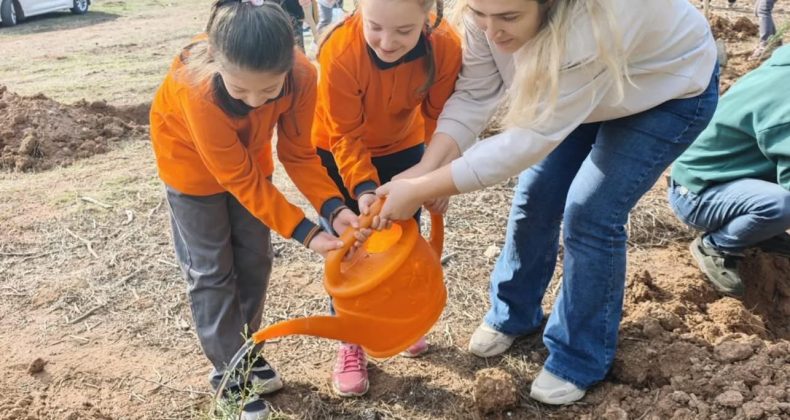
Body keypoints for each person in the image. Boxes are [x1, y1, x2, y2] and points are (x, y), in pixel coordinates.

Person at [375, 0, 719, 405]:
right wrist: (424, 171)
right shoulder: (486, 13)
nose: (491, 31)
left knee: (590, 214)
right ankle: (513, 314)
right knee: (535, 196)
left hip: (664, 90)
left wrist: (421, 189)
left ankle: (579, 355)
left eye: (508, 18)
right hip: (578, 90)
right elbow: (474, 94)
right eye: (480, 15)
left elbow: (528, 141)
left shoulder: (589, 24)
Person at [149, 0, 364, 417]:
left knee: (255, 260)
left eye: (267, 91)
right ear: (216, 64)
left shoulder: (302, 76)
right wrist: (307, 233)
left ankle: (246, 353)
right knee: (212, 270)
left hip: (249, 162)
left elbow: (299, 154)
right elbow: (237, 179)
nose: (253, 101)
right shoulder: (194, 86)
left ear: (289, 65)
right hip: (190, 171)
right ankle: (228, 375)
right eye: (240, 89)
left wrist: (334, 208)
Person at [312, 0, 461, 398]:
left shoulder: (444, 46)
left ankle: (399, 321)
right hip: (339, 151)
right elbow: (345, 135)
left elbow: (443, 119)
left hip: (404, 145)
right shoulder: (340, 50)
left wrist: (435, 180)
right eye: (375, 27)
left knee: (402, 237)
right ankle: (352, 340)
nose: (387, 42)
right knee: (352, 250)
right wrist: (362, 190)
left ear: (428, 17)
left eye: (404, 31)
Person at [669, 45, 790, 296]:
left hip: (732, 180)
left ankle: (761, 232)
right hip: (698, 192)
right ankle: (715, 246)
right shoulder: (785, 107)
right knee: (785, 204)